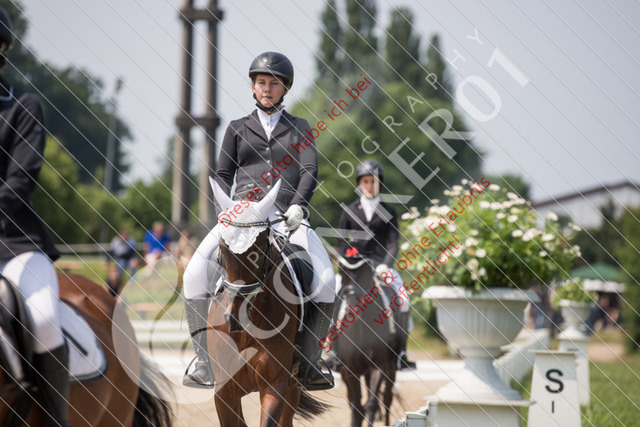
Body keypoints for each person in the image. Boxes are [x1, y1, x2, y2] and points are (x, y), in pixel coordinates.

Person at [182, 52, 336, 390]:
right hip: (241, 218)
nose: (267, 89)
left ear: (285, 89)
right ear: (253, 86)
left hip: (285, 217)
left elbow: (309, 171)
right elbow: (223, 174)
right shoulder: (237, 128)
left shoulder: (300, 128)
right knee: (193, 275)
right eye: (261, 82)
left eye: (274, 84)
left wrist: (298, 207)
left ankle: (310, 362)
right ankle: (204, 362)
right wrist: (225, 208)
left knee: (326, 282)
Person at [0, 8, 71, 425]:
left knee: (43, 321)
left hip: (14, 244)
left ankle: (55, 418)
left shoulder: (22, 107)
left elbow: (20, 179)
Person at [336, 160, 417, 370]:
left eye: (374, 181)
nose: (370, 185)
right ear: (359, 183)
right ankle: (333, 351)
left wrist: (386, 265)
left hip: (381, 266)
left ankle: (400, 353)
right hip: (354, 268)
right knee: (333, 294)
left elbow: (394, 243)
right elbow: (341, 243)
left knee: (403, 299)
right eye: (366, 181)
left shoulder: (388, 211)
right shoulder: (349, 210)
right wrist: (347, 260)